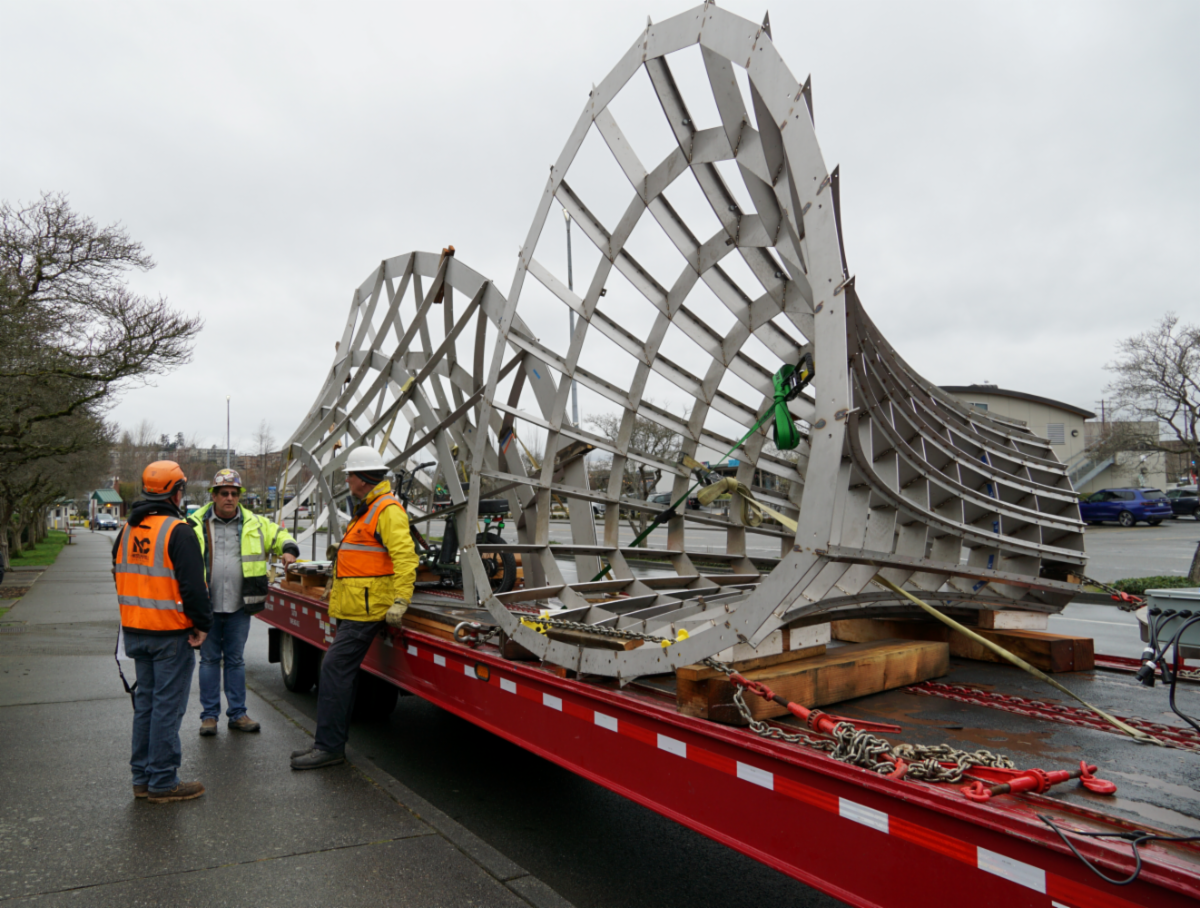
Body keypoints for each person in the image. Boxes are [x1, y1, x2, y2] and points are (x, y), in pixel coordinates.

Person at [291, 447, 417, 770]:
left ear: (363, 479)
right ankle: (330, 743)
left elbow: (405, 558)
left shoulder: (386, 510)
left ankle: (329, 747)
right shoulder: (369, 508)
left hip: (367, 609)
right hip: (353, 607)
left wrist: (401, 600)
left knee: (333, 669)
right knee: (341, 673)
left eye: (349, 474)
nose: (346, 479)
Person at [112, 461, 213, 803]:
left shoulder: (128, 529)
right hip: (169, 633)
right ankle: (163, 782)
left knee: (146, 706)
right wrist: (202, 626)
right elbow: (194, 588)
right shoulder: (178, 530)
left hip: (135, 632)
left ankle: (142, 780)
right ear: (176, 492)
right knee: (166, 708)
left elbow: (120, 574)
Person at [190, 468, 300, 736]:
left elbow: (280, 535)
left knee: (236, 660)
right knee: (208, 661)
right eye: (224, 493)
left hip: (240, 605)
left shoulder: (255, 523)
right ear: (214, 496)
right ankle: (209, 717)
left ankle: (238, 714)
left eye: (234, 493)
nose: (229, 498)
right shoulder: (193, 524)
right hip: (207, 606)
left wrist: (289, 550)